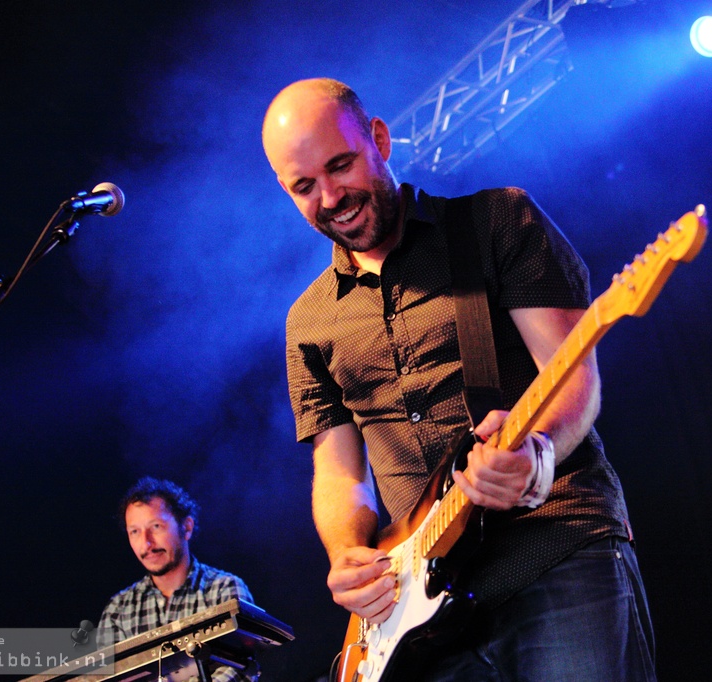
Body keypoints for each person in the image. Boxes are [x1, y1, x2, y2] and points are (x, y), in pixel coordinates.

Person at [262, 78, 656, 680]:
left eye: (340, 166)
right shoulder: (308, 321)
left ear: (379, 139)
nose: (331, 196)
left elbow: (573, 374)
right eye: (304, 187)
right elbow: (339, 473)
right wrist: (347, 553)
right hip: (418, 617)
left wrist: (538, 454)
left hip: (552, 545)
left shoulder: (496, 220)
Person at [97, 477, 255, 681]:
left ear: (187, 527)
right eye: (134, 531)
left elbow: (240, 668)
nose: (146, 543)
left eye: (156, 527)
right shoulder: (117, 611)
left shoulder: (225, 590)